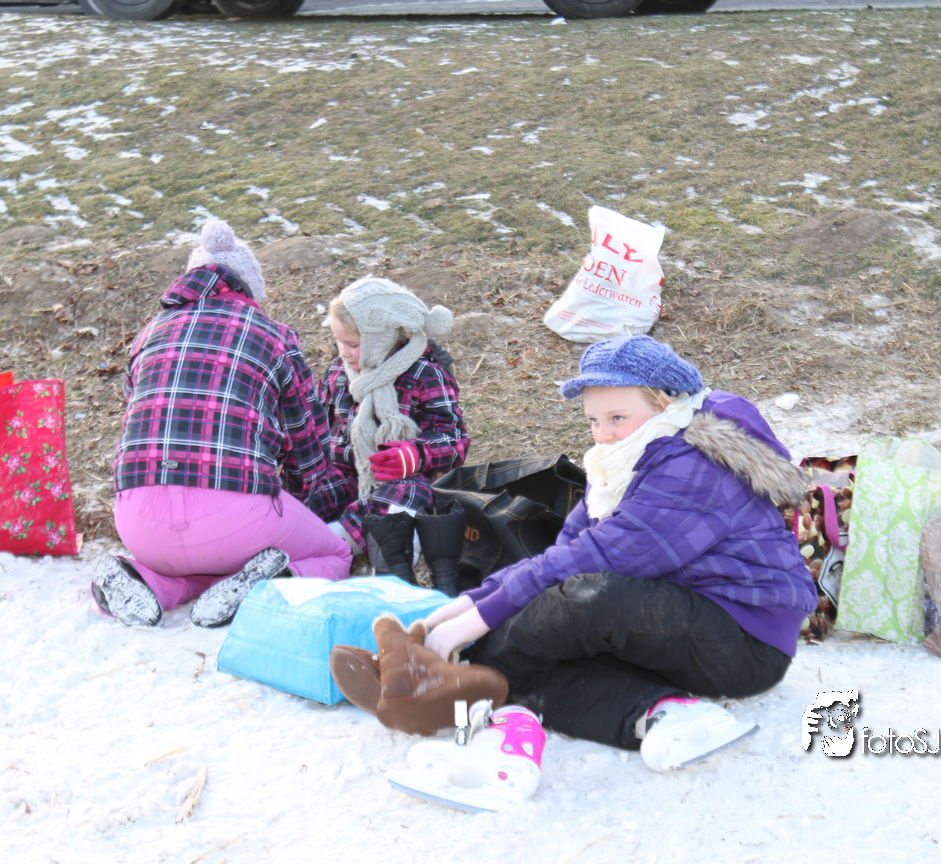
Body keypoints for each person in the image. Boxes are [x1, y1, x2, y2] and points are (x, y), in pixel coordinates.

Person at [417, 335, 817, 772]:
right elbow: (566, 551)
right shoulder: (624, 456)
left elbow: (604, 556)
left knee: (589, 598)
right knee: (539, 648)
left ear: (665, 403)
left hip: (744, 641)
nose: (602, 434)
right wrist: (475, 600)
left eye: (617, 418)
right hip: (677, 617)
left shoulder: (696, 462)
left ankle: (474, 669)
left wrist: (482, 619)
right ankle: (660, 712)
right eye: (593, 420)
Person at [91, 218, 353, 630]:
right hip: (235, 515)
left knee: (200, 557)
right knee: (335, 553)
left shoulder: (148, 335)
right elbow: (308, 452)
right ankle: (266, 586)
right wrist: (308, 503)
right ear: (251, 290)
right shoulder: (274, 336)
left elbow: (135, 417)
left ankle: (145, 580)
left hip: (139, 521)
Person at [308, 276, 470, 593]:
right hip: (344, 471)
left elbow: (454, 439)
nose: (343, 352)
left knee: (406, 497)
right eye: (338, 342)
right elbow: (317, 422)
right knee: (308, 493)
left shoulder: (425, 372)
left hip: (401, 477)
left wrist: (414, 455)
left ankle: (344, 543)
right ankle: (313, 535)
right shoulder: (340, 373)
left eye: (353, 345)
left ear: (381, 338)